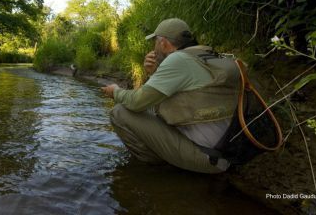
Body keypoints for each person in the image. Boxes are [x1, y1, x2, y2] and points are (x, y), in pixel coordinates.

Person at [101, 18, 240, 174]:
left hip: (209, 158)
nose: (153, 46)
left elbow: (137, 102)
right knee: (151, 110)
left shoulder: (178, 60)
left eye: (155, 41)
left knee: (120, 112)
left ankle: (154, 166)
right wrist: (154, 72)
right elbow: (167, 96)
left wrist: (115, 91)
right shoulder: (206, 55)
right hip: (228, 151)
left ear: (163, 43)